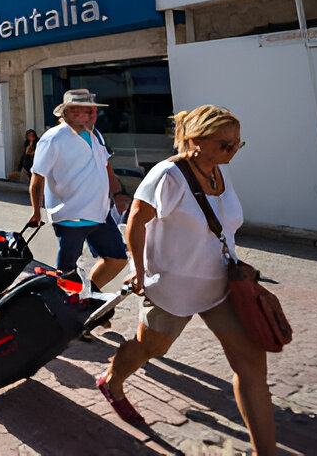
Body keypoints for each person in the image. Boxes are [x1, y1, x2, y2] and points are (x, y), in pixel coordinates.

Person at [97, 106, 274, 455]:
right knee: (151, 348)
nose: (233, 151)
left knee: (252, 369)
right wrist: (141, 270)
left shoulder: (221, 172)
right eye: (226, 144)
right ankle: (112, 381)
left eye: (239, 143)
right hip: (174, 288)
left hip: (223, 286)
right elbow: (136, 219)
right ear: (195, 141)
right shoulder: (169, 175)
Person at [27, 89, 127, 292]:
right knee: (67, 273)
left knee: (117, 258)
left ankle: (89, 296)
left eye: (89, 111)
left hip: (100, 212)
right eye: (77, 111)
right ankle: (63, 308)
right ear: (65, 113)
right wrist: (36, 213)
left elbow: (105, 166)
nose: (84, 116)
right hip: (71, 214)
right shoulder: (53, 138)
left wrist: (117, 193)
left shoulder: (95, 134)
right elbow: (37, 177)